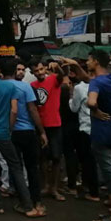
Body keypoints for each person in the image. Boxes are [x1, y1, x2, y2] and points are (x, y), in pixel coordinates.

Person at [0, 59, 40, 217]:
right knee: (16, 166)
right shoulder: (10, 86)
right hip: (3, 132)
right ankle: (27, 205)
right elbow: (14, 110)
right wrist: (9, 128)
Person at [6, 59, 49, 213]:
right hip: (26, 132)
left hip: (13, 133)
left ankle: (27, 202)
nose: (21, 72)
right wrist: (42, 131)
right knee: (31, 168)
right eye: (18, 69)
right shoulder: (26, 87)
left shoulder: (3, 87)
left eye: (23, 69)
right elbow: (33, 110)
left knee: (18, 168)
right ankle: (35, 202)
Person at [86, 51, 111, 221]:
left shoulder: (96, 82)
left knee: (110, 175)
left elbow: (92, 101)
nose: (87, 62)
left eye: (89, 60)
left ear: (96, 62)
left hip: (101, 132)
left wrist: (94, 110)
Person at [29, 58, 67, 202]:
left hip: (55, 124)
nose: (39, 72)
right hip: (40, 126)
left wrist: (58, 67)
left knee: (56, 157)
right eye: (36, 71)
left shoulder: (53, 80)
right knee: (43, 158)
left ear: (45, 68)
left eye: (41, 69)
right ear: (32, 72)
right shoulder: (32, 85)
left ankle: (55, 188)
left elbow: (62, 76)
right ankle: (45, 186)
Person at [69, 66, 100, 202]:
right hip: (99, 127)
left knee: (87, 161)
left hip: (85, 128)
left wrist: (70, 97)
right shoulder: (101, 84)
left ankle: (92, 192)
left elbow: (74, 108)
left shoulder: (79, 88)